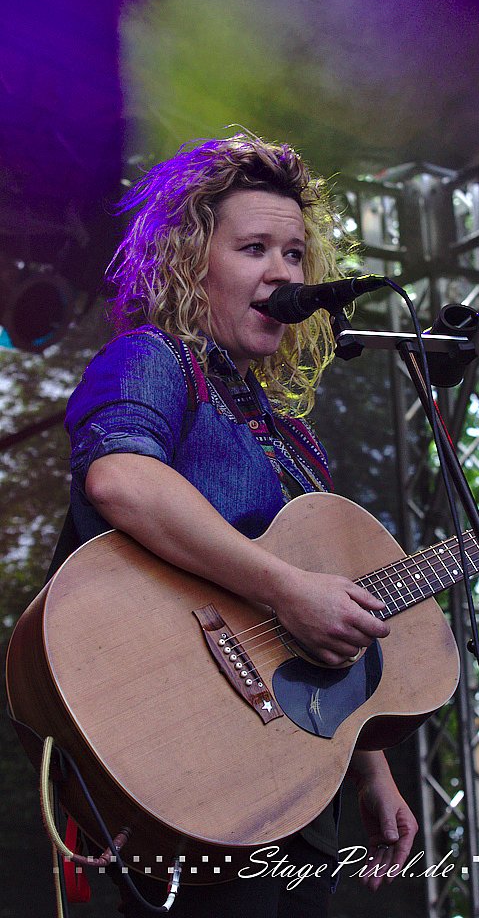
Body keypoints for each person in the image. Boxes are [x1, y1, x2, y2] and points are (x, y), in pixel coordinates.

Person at [64, 133, 418, 916]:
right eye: (255, 248)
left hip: (295, 779)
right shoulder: (154, 359)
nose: (285, 273)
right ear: (190, 263)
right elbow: (120, 477)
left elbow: (323, 613)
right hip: (190, 758)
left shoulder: (295, 439)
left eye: (294, 254)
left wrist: (371, 770)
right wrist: (285, 587)